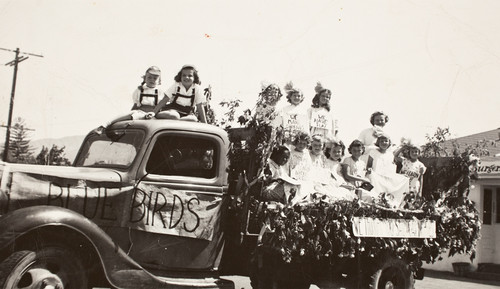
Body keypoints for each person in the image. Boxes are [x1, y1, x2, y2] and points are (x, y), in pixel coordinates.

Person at [94, 66, 166, 134]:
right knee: (129, 115)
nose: (152, 80)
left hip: (153, 114)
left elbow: (161, 106)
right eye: (149, 77)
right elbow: (135, 105)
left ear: (159, 80)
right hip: (141, 112)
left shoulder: (160, 92)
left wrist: (154, 113)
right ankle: (106, 125)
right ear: (145, 78)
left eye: (155, 78)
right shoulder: (139, 90)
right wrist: (132, 112)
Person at [366, 134, 409, 208]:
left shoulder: (390, 155)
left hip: (386, 177)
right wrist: (369, 169)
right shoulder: (373, 152)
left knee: (404, 179)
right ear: (378, 142)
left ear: (389, 143)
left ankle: (393, 204)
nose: (384, 143)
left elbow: (391, 169)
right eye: (381, 141)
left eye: (386, 141)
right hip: (375, 177)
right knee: (375, 192)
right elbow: (369, 165)